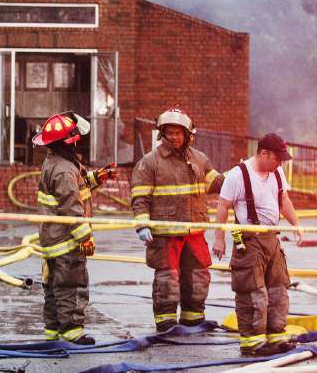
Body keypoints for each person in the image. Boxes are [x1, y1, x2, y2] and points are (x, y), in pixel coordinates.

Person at [130, 107, 223, 331]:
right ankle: (166, 322)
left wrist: (240, 174)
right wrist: (142, 225)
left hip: (194, 231)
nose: (173, 137)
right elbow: (140, 198)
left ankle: (193, 318)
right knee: (167, 280)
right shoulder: (150, 162)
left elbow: (217, 184)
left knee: (198, 277)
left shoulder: (200, 159)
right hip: (165, 233)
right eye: (169, 133)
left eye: (178, 133)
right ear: (162, 134)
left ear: (188, 134)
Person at [213, 133, 301, 357]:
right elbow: (222, 207)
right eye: (277, 158)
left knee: (278, 289)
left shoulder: (277, 172)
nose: (280, 163)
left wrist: (296, 224)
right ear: (264, 153)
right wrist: (219, 238)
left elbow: (284, 201)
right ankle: (253, 342)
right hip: (249, 241)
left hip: (272, 238)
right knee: (253, 292)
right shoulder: (238, 175)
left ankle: (276, 337)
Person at [33, 111, 115, 344]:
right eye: (76, 139)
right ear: (69, 142)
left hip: (51, 240)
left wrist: (96, 178)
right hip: (66, 242)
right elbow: (71, 206)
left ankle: (53, 332)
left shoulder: (56, 163)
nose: (79, 143)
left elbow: (75, 186)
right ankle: (71, 332)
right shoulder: (64, 169)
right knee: (71, 285)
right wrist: (84, 238)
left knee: (53, 289)